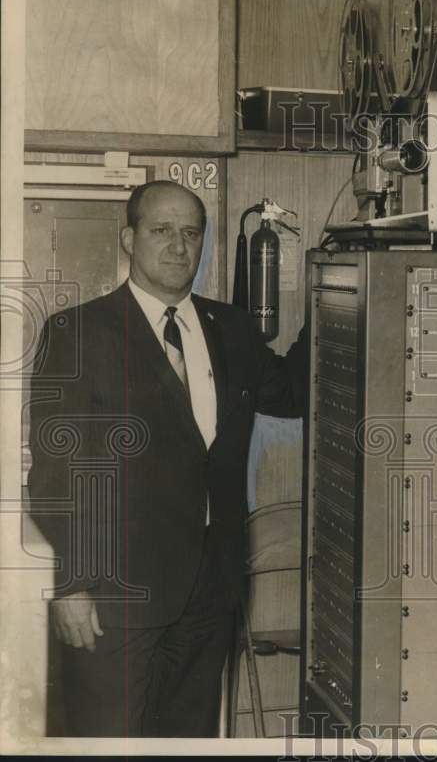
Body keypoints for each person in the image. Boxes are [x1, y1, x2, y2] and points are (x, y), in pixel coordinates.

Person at [26, 180, 307, 737]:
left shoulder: (231, 329)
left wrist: (337, 288)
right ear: (129, 239)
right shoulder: (78, 332)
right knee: (108, 740)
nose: (179, 247)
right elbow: (55, 473)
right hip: (114, 595)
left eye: (191, 233)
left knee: (188, 740)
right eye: (161, 231)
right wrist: (69, 585)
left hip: (209, 589)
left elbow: (296, 394)